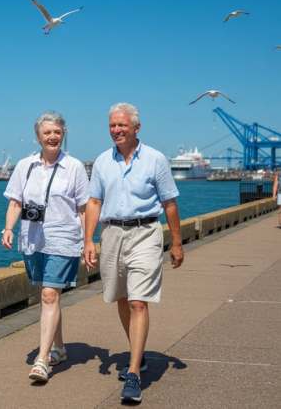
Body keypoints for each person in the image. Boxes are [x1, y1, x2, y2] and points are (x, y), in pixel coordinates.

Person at [84, 102, 184, 404]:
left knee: (139, 301)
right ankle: (138, 356)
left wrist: (177, 242)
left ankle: (133, 374)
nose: (116, 130)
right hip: (112, 233)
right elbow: (93, 203)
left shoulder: (155, 160)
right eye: (112, 125)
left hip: (145, 233)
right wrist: (88, 240)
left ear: (136, 128)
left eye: (121, 125)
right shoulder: (102, 161)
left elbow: (170, 204)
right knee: (123, 299)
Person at [2, 111, 89, 383]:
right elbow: (16, 201)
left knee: (50, 295)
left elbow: (84, 208)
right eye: (47, 133)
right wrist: (8, 228)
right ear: (38, 136)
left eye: (57, 132)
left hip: (63, 239)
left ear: (63, 134)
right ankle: (60, 348)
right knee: (48, 293)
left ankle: (43, 359)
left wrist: (89, 242)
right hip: (32, 239)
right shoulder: (25, 166)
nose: (53, 137)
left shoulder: (74, 166)